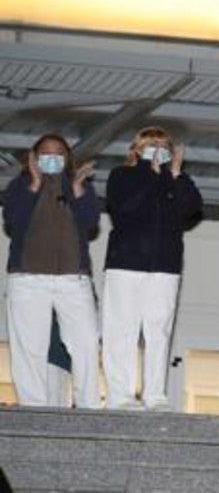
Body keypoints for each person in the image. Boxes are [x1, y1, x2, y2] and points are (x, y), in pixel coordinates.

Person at [104, 126, 202, 411]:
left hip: (165, 266)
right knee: (122, 329)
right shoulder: (122, 175)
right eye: (151, 143)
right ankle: (119, 395)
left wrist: (176, 175)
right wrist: (151, 174)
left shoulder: (176, 179)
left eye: (164, 144)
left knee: (158, 331)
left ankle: (155, 395)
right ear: (137, 148)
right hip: (126, 264)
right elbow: (124, 207)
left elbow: (193, 207)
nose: (157, 148)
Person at [3, 133, 101, 408]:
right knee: (29, 347)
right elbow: (12, 220)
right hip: (28, 279)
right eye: (46, 153)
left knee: (87, 342)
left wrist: (80, 189)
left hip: (73, 279)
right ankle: (33, 406)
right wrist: (33, 185)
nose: (52, 158)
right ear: (34, 158)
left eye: (59, 153)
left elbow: (90, 222)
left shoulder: (77, 185)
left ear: (67, 158)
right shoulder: (20, 185)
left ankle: (88, 406)